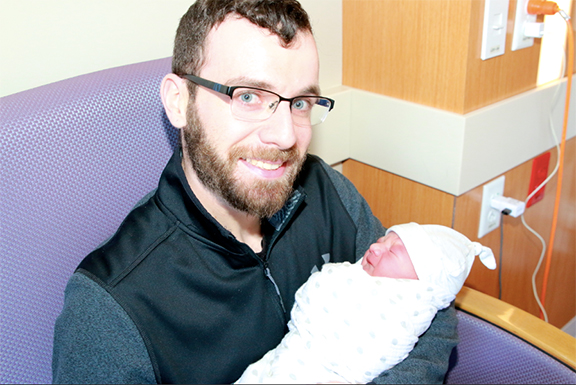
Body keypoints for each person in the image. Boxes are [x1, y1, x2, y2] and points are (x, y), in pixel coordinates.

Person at [51, 1, 459, 384]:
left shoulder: (328, 192)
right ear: (179, 102)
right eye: (248, 96)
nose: (284, 136)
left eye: (300, 103)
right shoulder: (111, 310)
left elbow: (427, 305)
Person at [235, 223, 497, 384]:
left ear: (424, 282)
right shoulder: (355, 273)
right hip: (287, 358)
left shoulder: (411, 304)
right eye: (382, 240)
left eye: (392, 250)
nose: (374, 248)